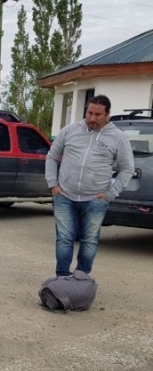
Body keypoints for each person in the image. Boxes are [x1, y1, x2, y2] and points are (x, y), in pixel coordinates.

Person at [45, 95, 134, 277]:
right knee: (64, 239)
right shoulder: (69, 131)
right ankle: (62, 278)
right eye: (89, 113)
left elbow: (127, 169)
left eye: (98, 115)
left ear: (107, 114)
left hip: (95, 199)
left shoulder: (118, 137)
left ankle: (81, 278)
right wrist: (53, 185)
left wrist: (110, 194)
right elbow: (52, 156)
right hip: (64, 195)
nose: (92, 118)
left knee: (89, 241)